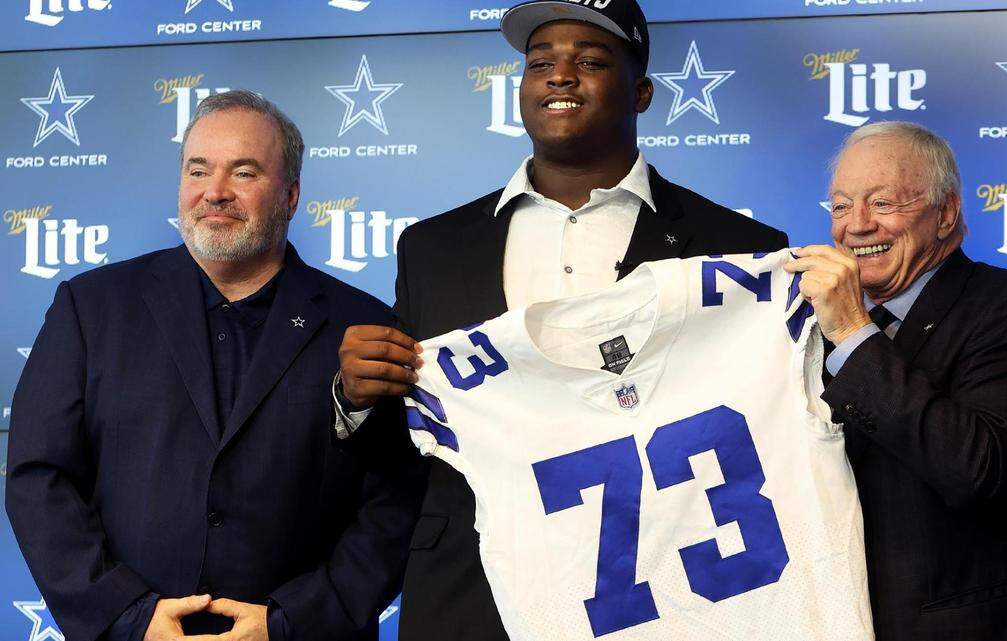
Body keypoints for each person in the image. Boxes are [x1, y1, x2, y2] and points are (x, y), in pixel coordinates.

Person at [333, 1, 789, 639]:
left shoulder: (739, 247)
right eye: (540, 62)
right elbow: (411, 440)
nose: (560, 76)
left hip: (667, 587)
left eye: (590, 61)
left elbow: (766, 427)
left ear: (642, 92)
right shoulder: (433, 248)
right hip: (473, 591)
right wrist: (355, 398)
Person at [5, 90, 422, 641]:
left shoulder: (367, 326)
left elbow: (399, 500)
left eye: (244, 172)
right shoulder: (90, 308)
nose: (215, 192)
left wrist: (290, 623)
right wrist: (126, 616)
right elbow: (40, 478)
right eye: (198, 170)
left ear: (291, 196)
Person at [785, 120, 1007, 641]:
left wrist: (854, 333)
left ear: (946, 213)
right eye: (840, 207)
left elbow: (977, 468)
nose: (855, 226)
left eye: (882, 204)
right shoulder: (806, 329)